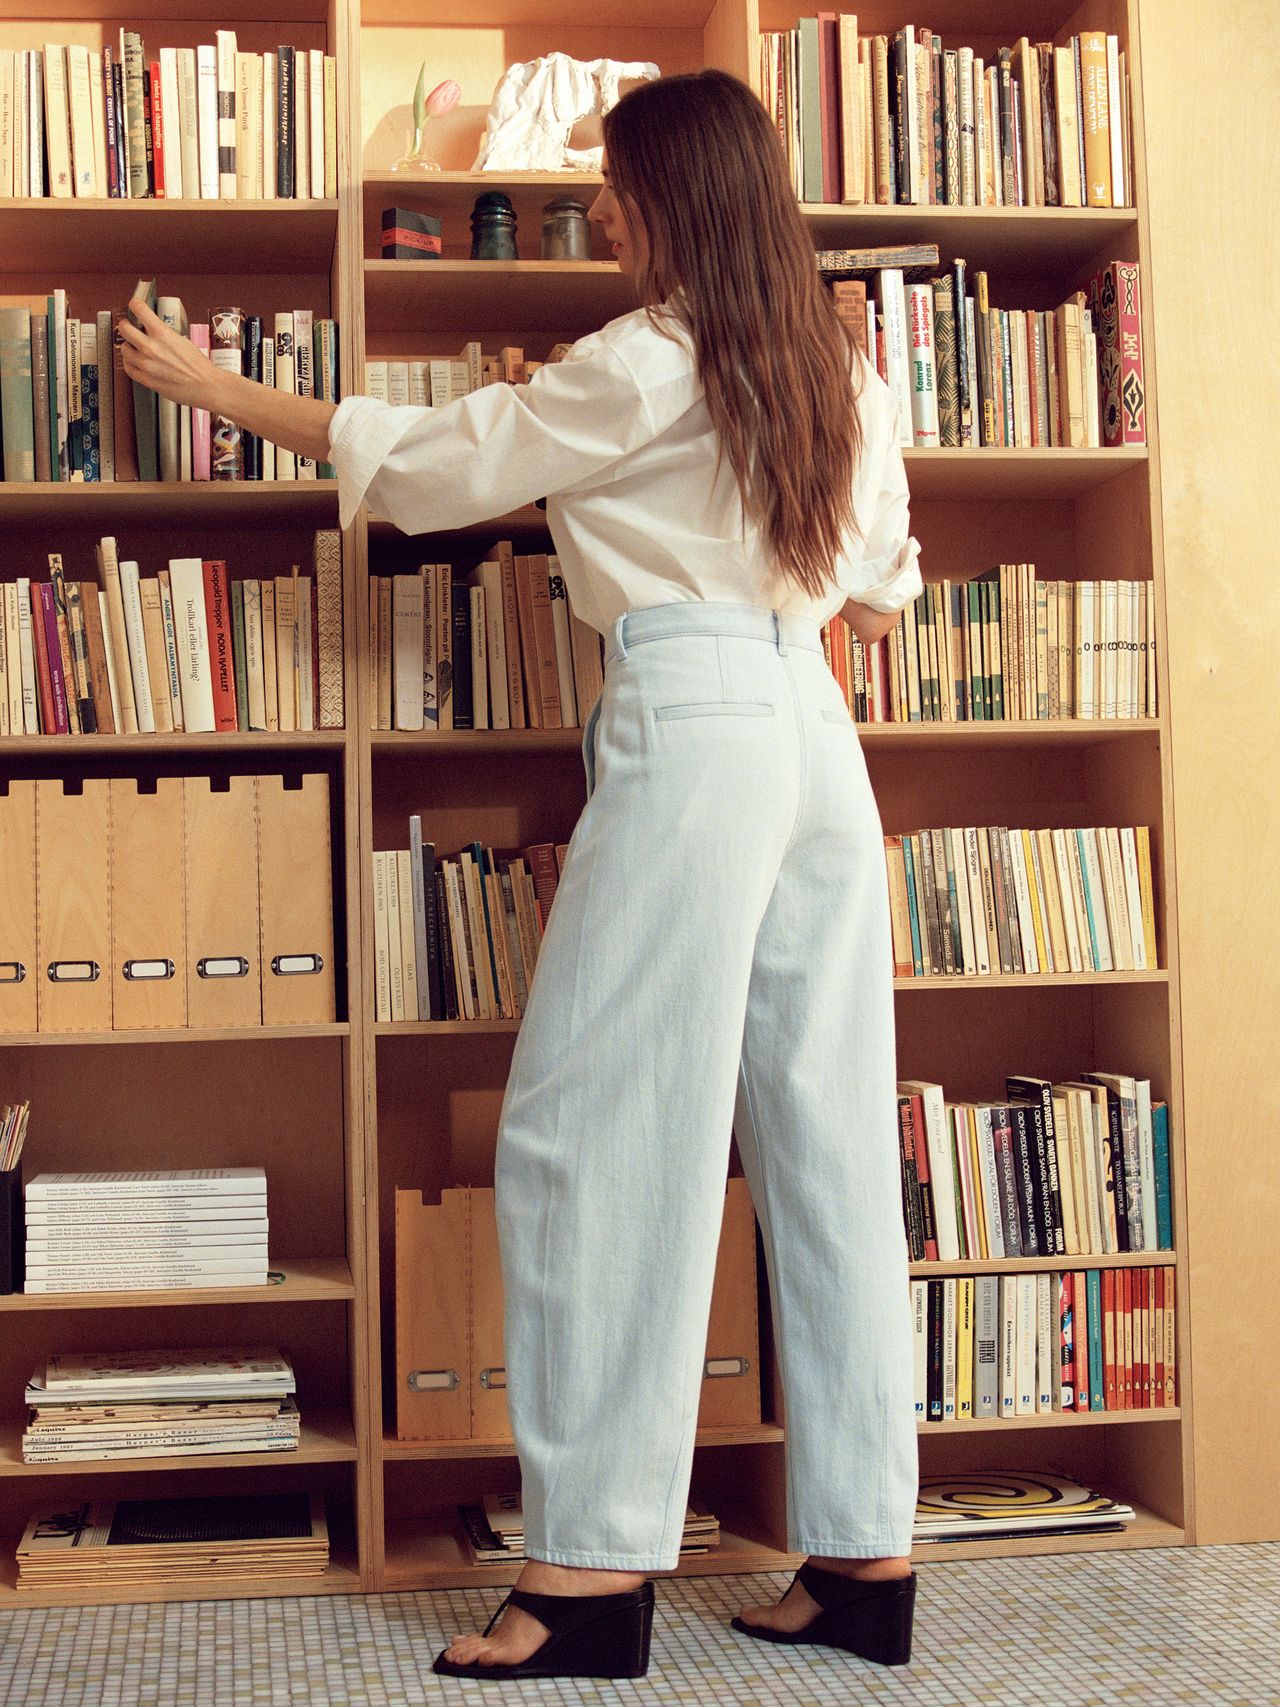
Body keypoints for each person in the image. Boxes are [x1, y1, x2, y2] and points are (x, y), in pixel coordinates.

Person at [118, 65, 923, 1685]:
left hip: (695, 711)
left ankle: (586, 1578)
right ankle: (863, 1558)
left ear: (673, 200)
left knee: (592, 1132)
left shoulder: (647, 358)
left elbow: (435, 461)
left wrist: (221, 387)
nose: (607, 216)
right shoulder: (842, 370)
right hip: (816, 727)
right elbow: (889, 589)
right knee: (825, 1142)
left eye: (618, 190)